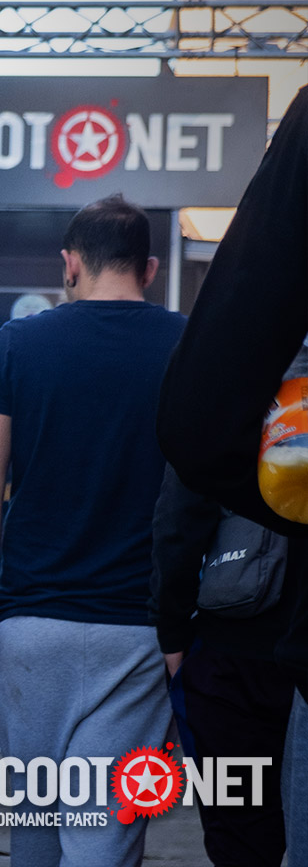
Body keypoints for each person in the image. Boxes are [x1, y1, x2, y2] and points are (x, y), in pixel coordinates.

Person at [0, 193, 185, 867]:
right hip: (139, 630)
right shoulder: (188, 345)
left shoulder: (15, 346)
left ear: (70, 263)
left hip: (32, 627)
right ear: (149, 268)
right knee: (104, 836)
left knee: (35, 831)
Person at [157, 84, 308, 855]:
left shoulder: (262, 376)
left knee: (245, 835)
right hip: (261, 640)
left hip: (242, 638)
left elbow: (194, 461)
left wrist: (173, 627)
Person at [150, 466, 294, 867]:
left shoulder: (226, 420)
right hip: (244, 649)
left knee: (239, 840)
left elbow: (179, 518)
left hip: (236, 649)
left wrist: (171, 631)